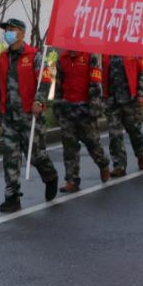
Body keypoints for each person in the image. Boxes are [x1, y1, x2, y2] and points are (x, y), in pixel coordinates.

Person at [0, 19, 59, 213]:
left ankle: (50, 176)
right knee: (10, 157)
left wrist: (39, 101)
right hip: (9, 118)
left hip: (30, 115)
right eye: (6, 30)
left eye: (11, 30)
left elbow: (46, 79)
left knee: (36, 155)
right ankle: (12, 196)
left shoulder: (35, 55)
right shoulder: (3, 58)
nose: (8, 33)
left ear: (21, 33)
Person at [55, 50, 112, 193]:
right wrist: (57, 106)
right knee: (69, 147)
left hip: (85, 109)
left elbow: (96, 83)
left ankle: (103, 164)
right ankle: (72, 180)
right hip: (67, 108)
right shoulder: (62, 59)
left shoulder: (91, 57)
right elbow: (58, 85)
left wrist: (94, 109)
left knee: (93, 143)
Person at [102, 54, 143, 176]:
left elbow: (142, 72)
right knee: (114, 135)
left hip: (130, 100)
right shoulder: (106, 54)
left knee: (135, 131)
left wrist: (141, 93)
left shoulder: (132, 51)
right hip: (113, 102)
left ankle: (140, 154)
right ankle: (119, 166)